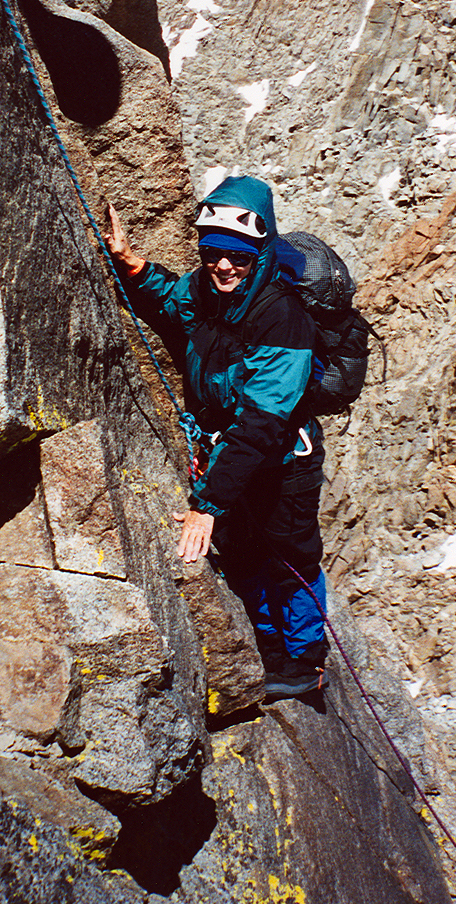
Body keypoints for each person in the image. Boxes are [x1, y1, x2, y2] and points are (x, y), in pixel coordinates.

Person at [106, 174, 329, 700]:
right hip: (230, 454)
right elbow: (173, 301)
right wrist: (132, 264)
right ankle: (269, 651)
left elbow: (262, 421)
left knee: (289, 556)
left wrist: (207, 504)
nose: (224, 266)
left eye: (238, 258)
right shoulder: (209, 289)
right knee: (244, 552)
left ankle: (305, 663)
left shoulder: (282, 316)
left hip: (281, 461)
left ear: (261, 253)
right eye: (213, 255)